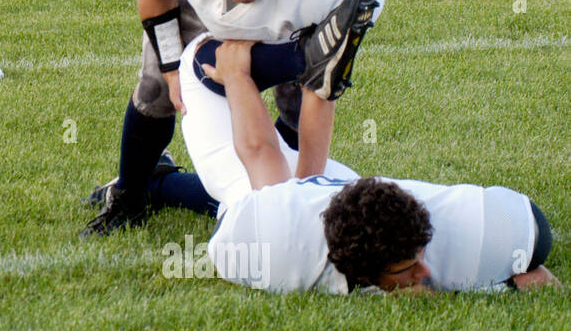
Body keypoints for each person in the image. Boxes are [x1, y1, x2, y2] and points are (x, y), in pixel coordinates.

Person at [81, 0, 385, 236]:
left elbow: (320, 93)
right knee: (154, 92)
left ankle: (268, 183)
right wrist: (171, 67)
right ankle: (129, 196)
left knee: (297, 97)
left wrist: (305, 194)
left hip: (296, 5)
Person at [197, 40, 558, 294]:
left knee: (289, 176)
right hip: (201, 64)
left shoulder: (274, 228)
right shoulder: (267, 246)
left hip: (515, 218)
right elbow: (260, 152)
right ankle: (158, 182)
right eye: (407, 269)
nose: (426, 271)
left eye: (416, 259)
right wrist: (236, 76)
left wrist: (240, 79)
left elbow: (264, 153)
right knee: (270, 174)